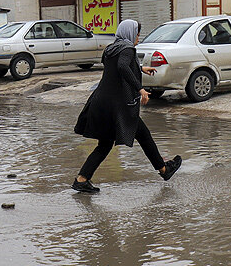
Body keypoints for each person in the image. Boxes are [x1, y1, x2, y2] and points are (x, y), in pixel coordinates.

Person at [72, 19, 181, 193]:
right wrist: (140, 89)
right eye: (137, 34)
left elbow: (117, 67)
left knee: (105, 144)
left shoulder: (111, 49)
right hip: (117, 107)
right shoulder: (128, 49)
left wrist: (140, 68)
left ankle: (82, 179)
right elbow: (123, 66)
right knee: (144, 135)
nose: (138, 37)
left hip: (100, 102)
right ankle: (164, 170)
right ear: (130, 34)